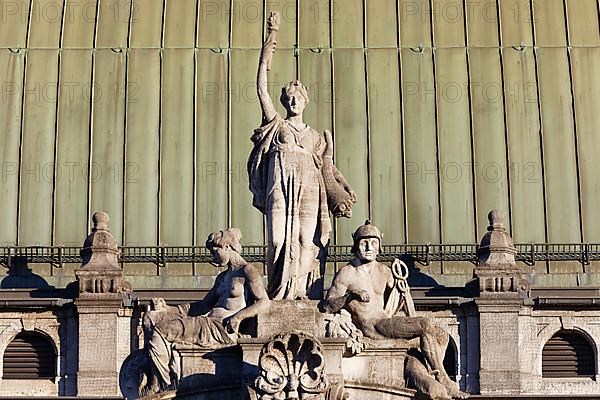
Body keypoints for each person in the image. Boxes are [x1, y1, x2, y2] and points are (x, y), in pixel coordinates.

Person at [248, 11, 355, 300]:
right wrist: (270, 41)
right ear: (284, 101)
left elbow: (327, 170)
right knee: (278, 239)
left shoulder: (315, 137)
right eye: (289, 97)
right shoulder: (277, 125)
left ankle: (305, 292)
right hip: (280, 183)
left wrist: (341, 191)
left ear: (306, 101)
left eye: (299, 97)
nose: (294, 101)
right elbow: (261, 89)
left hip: (309, 186)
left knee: (308, 239)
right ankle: (278, 291)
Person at [322, 221, 467, 399]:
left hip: (387, 322)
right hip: (373, 328)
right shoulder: (347, 273)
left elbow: (400, 302)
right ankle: (444, 378)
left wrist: (402, 289)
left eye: (373, 242)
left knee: (441, 335)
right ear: (356, 245)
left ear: (379, 246)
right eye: (364, 242)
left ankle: (429, 377)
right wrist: (349, 296)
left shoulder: (386, 272)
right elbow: (327, 306)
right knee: (425, 324)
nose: (369, 247)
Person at [141, 228, 270, 393]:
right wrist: (168, 308)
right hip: (207, 323)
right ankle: (160, 379)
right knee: (153, 318)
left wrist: (238, 317)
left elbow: (264, 302)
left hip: (220, 328)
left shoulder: (247, 271)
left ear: (227, 247)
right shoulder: (222, 278)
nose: (213, 257)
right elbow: (202, 306)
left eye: (215, 252)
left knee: (162, 330)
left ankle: (166, 384)